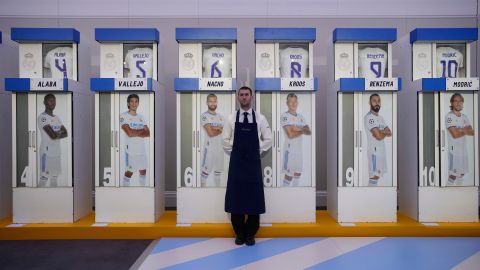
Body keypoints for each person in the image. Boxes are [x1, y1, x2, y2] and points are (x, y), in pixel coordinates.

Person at [223, 86, 272, 246]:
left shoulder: (260, 118)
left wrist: (256, 150)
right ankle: (239, 234)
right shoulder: (231, 118)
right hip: (237, 164)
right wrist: (236, 152)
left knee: (253, 198)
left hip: (253, 164)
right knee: (236, 197)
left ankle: (250, 234)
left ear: (251, 97)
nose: (244, 97)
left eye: (247, 95)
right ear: (238, 98)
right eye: (241, 95)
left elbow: (269, 139)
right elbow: (225, 140)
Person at [37, 93, 68, 187]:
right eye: (50, 100)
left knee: (54, 177)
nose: (53, 102)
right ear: (44, 102)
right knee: (44, 177)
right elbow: (53, 136)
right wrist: (58, 133)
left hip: (56, 153)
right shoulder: (43, 117)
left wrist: (56, 133)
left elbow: (65, 133)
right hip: (46, 153)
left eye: (54, 100)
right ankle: (38, 199)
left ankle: (54, 199)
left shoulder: (56, 118)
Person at [281, 93, 311, 186]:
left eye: (295, 101)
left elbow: (309, 132)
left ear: (297, 103)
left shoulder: (301, 117)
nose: (293, 104)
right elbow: (290, 134)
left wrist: (295, 128)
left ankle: (295, 197)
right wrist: (302, 129)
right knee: (289, 176)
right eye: (291, 101)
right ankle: (285, 197)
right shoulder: (285, 116)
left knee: (298, 174)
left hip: (299, 151)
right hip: (289, 151)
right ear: (287, 103)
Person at [120, 94, 150, 186]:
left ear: (138, 103)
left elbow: (148, 133)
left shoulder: (141, 117)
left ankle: (142, 192)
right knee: (129, 172)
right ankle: (125, 193)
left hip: (141, 151)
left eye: (136, 101)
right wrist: (140, 131)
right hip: (131, 151)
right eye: (132, 101)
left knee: (143, 171)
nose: (134, 103)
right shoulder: (123, 116)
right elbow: (129, 133)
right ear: (128, 103)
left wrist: (134, 131)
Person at [446, 93, 474, 186]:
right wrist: (464, 129)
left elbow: (471, 132)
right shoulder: (449, 116)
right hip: (454, 151)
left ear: (462, 103)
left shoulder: (464, 117)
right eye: (456, 101)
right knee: (453, 175)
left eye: (460, 101)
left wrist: (459, 129)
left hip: (463, 150)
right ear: (452, 103)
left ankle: (458, 193)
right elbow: (455, 134)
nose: (458, 103)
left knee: (461, 173)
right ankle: (447, 193)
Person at [364, 94, 391, 186]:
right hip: (374, 152)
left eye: (378, 101)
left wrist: (380, 132)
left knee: (378, 176)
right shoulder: (369, 118)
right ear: (370, 103)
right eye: (374, 101)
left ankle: (374, 196)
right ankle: (370, 196)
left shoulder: (380, 118)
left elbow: (390, 132)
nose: (377, 103)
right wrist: (382, 132)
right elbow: (379, 136)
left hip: (381, 151)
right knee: (374, 176)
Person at [200, 94, 225, 187]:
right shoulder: (204, 116)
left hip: (220, 149)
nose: (213, 103)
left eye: (214, 101)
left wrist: (216, 128)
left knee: (218, 173)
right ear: (207, 103)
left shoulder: (221, 117)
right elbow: (210, 133)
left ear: (217, 102)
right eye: (210, 101)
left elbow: (225, 130)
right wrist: (219, 129)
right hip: (209, 149)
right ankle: (202, 194)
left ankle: (217, 193)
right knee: (205, 173)